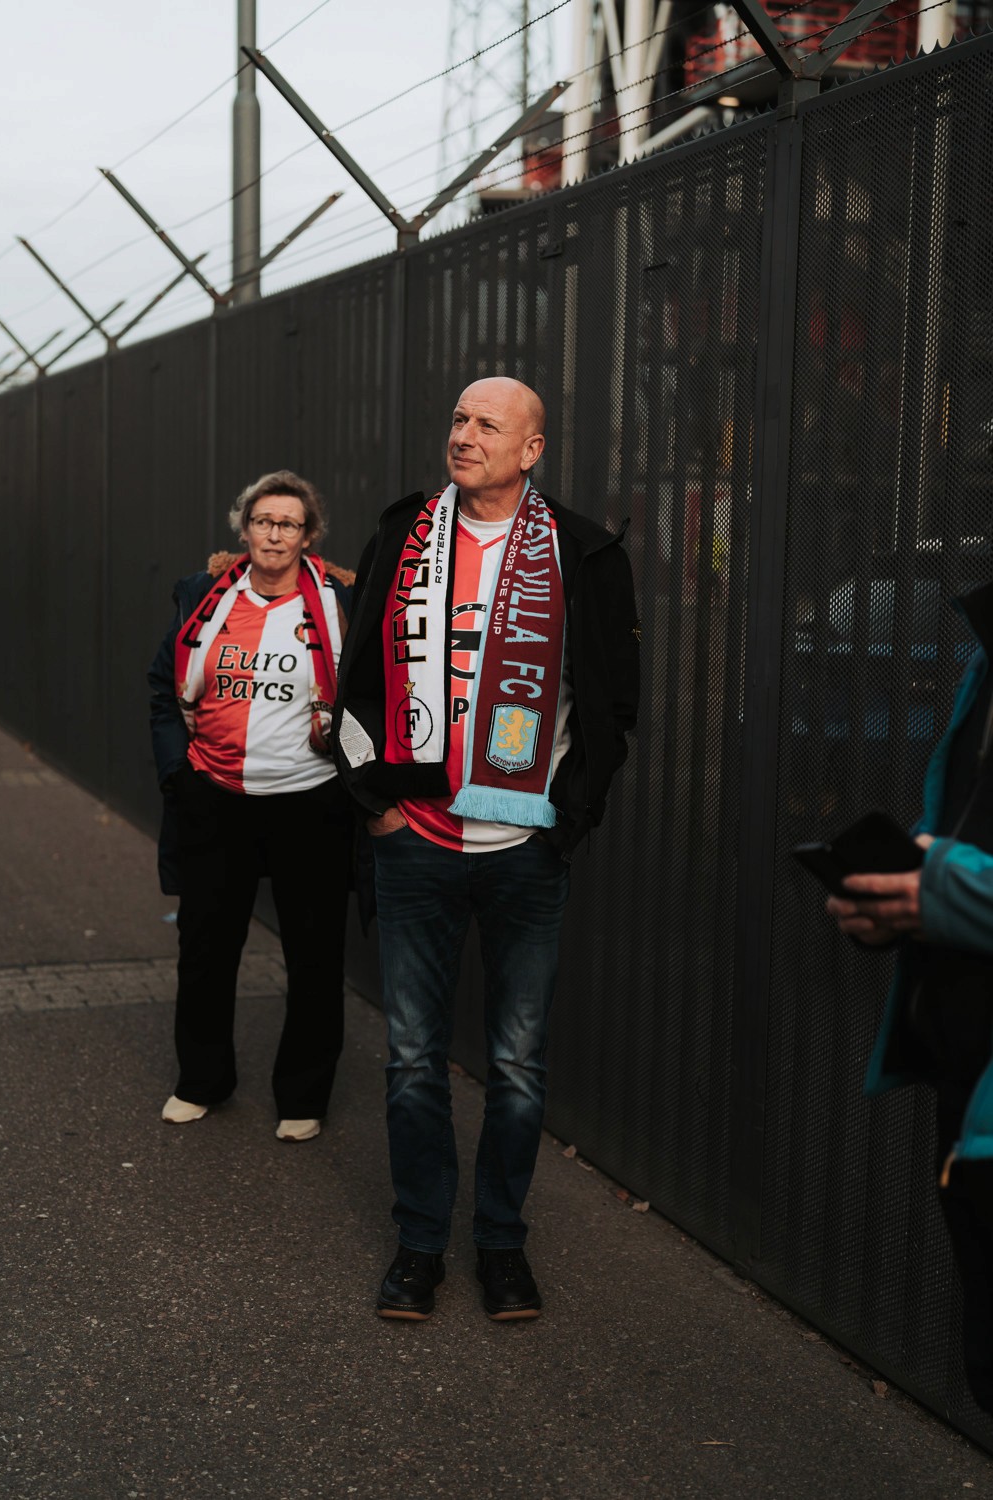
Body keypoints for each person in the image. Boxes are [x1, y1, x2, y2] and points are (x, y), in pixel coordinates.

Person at [333, 376, 639, 1320]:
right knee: (412, 1058)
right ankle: (420, 1245)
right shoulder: (403, 537)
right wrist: (376, 808)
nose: (464, 435)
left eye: (487, 425)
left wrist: (567, 821)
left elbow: (614, 704)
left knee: (515, 1063)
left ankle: (502, 1245)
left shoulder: (582, 553)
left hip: (524, 851)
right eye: (459, 419)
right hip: (414, 843)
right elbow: (354, 683)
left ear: (531, 449)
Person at [826, 578, 993, 1413]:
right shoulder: (983, 657)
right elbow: (961, 834)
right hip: (968, 1086)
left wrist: (947, 890)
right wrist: (896, 904)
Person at [148, 470, 354, 1143]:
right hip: (216, 800)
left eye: (289, 523)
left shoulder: (337, 603)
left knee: (314, 956)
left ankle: (303, 1096)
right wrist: (178, 775)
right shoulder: (204, 596)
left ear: (308, 535)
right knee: (205, 950)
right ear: (244, 528)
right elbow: (163, 687)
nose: (274, 534)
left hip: (308, 804)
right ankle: (201, 1082)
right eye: (263, 521)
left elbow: (367, 694)